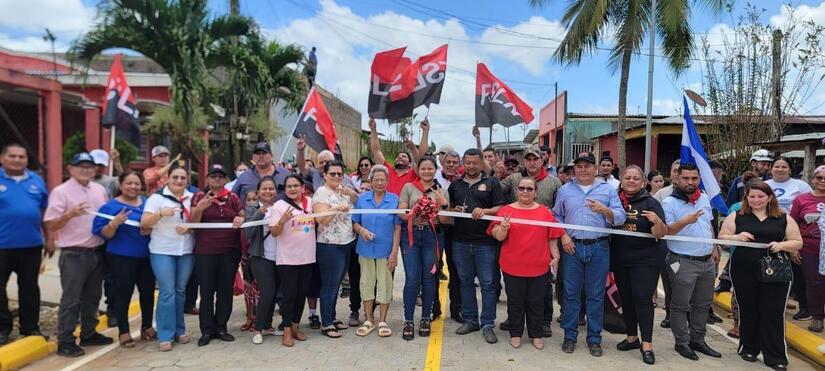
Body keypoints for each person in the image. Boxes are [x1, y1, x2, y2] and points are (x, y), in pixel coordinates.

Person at [719, 180, 803, 370]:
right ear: (746, 198)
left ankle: (775, 356)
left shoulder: (783, 217)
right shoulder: (737, 215)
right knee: (748, 309)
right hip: (743, 270)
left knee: (772, 312)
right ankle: (748, 348)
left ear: (770, 197)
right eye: (752, 196)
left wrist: (782, 245)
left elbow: (797, 242)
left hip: (776, 271)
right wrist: (736, 237)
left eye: (761, 196)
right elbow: (722, 237)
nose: (756, 200)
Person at [552, 151, 626, 357]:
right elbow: (556, 216)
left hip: (599, 247)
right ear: (574, 168)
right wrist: (564, 235)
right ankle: (570, 336)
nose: (583, 169)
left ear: (595, 168)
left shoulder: (608, 190)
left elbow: (620, 217)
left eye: (587, 166)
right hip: (572, 247)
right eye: (579, 166)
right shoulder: (565, 190)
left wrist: (605, 211)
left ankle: (594, 339)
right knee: (571, 294)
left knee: (595, 295)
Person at [45, 153, 112, 357]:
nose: (86, 170)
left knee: (93, 297)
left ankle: (89, 333)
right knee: (71, 300)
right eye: (81, 166)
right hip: (74, 254)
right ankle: (65, 340)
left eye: (89, 166)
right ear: (70, 169)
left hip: (97, 251)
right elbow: (50, 223)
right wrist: (69, 214)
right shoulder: (61, 192)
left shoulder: (99, 190)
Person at [488, 177, 564, 350]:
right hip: (512, 265)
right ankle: (515, 333)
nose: (525, 191)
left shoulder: (545, 212)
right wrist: (503, 228)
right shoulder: (506, 211)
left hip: (538, 266)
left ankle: (536, 334)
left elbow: (552, 236)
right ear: (516, 190)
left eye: (529, 189)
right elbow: (498, 236)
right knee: (515, 302)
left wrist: (556, 256)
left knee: (536, 302)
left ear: (536, 192)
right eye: (522, 188)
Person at [498, 145, 562, 337]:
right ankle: (515, 323)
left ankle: (543, 323)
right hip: (516, 246)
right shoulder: (513, 178)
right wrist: (494, 170)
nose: (532, 162)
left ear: (542, 159)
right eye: (528, 159)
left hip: (542, 241)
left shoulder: (554, 182)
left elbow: (560, 212)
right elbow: (494, 189)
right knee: (516, 296)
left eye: (535, 159)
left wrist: (558, 246)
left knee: (541, 294)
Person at [661, 163, 722, 361]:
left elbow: (709, 225)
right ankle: (682, 342)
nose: (690, 182)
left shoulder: (703, 198)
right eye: (686, 178)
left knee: (703, 303)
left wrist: (713, 247)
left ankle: (698, 339)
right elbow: (665, 231)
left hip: (706, 262)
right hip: (682, 260)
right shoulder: (670, 203)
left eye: (694, 178)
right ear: (677, 178)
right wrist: (684, 222)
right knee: (680, 304)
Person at [91, 171, 155, 348]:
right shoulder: (109, 207)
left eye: (136, 183)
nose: (133, 187)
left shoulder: (148, 203)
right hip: (121, 257)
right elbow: (104, 234)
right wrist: (114, 224)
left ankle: (147, 327)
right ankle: (124, 332)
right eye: (129, 183)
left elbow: (156, 224)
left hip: (147, 256)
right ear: (121, 185)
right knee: (123, 294)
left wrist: (149, 229)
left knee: (148, 293)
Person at [611, 165, 667, 365]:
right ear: (622, 179)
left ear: (643, 181)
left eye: (636, 178)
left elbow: (661, 233)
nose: (631, 181)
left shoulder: (650, 202)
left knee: (642, 298)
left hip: (646, 259)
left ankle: (648, 344)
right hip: (620, 258)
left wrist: (657, 221)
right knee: (626, 298)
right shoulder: (614, 199)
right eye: (628, 178)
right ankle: (631, 337)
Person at [449, 149, 505, 344]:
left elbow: (500, 208)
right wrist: (453, 210)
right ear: (463, 163)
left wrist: (486, 210)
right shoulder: (455, 185)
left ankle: (488, 324)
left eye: (475, 162)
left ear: (481, 163)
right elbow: (449, 209)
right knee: (465, 282)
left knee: (488, 284)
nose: (471, 166)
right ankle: (471, 320)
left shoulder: (491, 183)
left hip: (486, 243)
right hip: (460, 242)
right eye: (468, 162)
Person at [141, 165, 195, 351]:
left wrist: (190, 228)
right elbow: (144, 223)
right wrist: (160, 214)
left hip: (186, 251)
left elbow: (198, 221)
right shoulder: (156, 198)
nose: (179, 181)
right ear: (167, 179)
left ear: (187, 180)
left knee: (180, 291)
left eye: (182, 178)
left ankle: (179, 330)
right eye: (175, 177)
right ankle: (165, 333)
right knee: (167, 292)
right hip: (162, 250)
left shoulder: (191, 198)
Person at [189, 164, 245, 346]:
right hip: (206, 251)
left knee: (225, 291)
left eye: (221, 176)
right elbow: (192, 224)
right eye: (214, 176)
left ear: (226, 179)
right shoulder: (199, 196)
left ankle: (221, 326)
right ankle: (206, 330)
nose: (217, 179)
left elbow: (242, 215)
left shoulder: (233, 197)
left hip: (229, 250)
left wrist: (240, 218)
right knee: (206, 292)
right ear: (207, 178)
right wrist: (200, 208)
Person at [0, 143, 49, 345]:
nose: (17, 159)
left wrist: (50, 238)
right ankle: (3, 328)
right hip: (2, 246)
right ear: (2, 159)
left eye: (22, 156)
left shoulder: (36, 181)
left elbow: (44, 212)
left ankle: (30, 327)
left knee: (29, 288)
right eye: (12, 156)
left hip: (31, 245)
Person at [398, 158, 450, 340]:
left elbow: (444, 221)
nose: (427, 171)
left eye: (430, 168)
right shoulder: (408, 188)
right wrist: (417, 209)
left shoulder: (441, 191)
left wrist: (442, 204)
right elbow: (402, 214)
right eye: (423, 168)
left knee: (429, 278)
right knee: (412, 278)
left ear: (435, 170)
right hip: (411, 235)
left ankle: (425, 318)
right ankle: (408, 320)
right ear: (418, 169)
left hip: (432, 236)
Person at [352, 165, 401, 338]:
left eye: (383, 180)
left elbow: (397, 227)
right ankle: (368, 320)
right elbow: (355, 222)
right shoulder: (362, 199)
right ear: (371, 181)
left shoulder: (395, 199)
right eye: (376, 180)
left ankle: (382, 321)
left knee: (385, 284)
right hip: (365, 249)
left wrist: (394, 252)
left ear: (388, 181)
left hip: (385, 250)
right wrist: (362, 231)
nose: (379, 183)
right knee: (366, 283)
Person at [313, 160, 357, 338]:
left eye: (340, 174)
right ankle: (327, 323)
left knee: (337, 284)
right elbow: (321, 220)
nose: (337, 177)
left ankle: (331, 316)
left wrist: (349, 194)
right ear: (324, 174)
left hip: (346, 243)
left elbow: (358, 201)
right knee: (330, 285)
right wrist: (337, 207)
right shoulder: (321, 193)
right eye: (333, 174)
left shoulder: (341, 191)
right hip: (330, 245)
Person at [765, 157, 812, 321]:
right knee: (771, 269)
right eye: (776, 166)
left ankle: (805, 307)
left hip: (794, 230)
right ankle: (775, 303)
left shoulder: (801, 186)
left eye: (784, 166)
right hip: (769, 231)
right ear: (771, 169)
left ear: (790, 169)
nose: (780, 169)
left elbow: (808, 206)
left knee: (797, 271)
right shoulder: (765, 185)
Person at [244, 176, 279, 343]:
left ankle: (267, 325)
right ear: (258, 192)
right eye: (264, 189)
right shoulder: (252, 209)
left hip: (280, 257)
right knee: (267, 292)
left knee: (274, 293)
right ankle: (257, 329)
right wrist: (260, 213)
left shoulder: (280, 207)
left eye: (271, 188)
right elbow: (248, 234)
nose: (268, 191)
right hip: (261, 256)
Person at [790, 165, 825, 332]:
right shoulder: (801, 199)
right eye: (819, 177)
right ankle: (818, 316)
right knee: (815, 283)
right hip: (809, 247)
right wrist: (793, 248)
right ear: (813, 179)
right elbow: (792, 224)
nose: (822, 181)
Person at [89, 148, 118, 328]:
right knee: (89, 281)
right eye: (95, 164)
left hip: (107, 237)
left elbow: (126, 181)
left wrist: (119, 162)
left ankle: (112, 312)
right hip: (86, 241)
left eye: (101, 165)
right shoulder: (78, 184)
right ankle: (87, 314)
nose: (97, 168)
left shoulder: (110, 182)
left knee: (110, 279)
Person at [434, 150, 463, 323]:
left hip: (455, 231)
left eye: (455, 162)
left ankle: (456, 309)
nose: (451, 165)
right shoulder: (433, 179)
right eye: (448, 162)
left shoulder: (461, 182)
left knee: (455, 271)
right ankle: (435, 308)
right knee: (434, 270)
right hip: (436, 229)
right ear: (442, 162)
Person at [369, 117, 429, 195]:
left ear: (410, 163)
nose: (400, 157)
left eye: (404, 156)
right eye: (398, 156)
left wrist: (425, 132)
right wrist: (373, 129)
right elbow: (376, 151)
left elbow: (422, 159)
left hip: (406, 207)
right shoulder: (387, 171)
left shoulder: (414, 174)